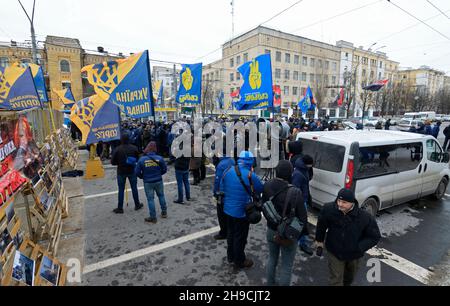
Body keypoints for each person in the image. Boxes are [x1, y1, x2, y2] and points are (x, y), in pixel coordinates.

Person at [315, 188, 381, 286]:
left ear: (352, 203)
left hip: (354, 255)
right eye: (339, 201)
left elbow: (374, 237)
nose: (340, 204)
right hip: (334, 252)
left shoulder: (365, 217)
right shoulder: (328, 209)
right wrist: (319, 242)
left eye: (344, 202)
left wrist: (359, 248)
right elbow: (321, 225)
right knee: (336, 280)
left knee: (349, 279)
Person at [262, 160, 307, 286]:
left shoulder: (267, 185)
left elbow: (264, 206)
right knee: (286, 265)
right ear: (290, 173)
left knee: (272, 258)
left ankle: (270, 283)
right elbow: (302, 218)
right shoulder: (295, 192)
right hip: (288, 233)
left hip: (271, 229)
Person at [221, 151, 264, 271]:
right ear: (251, 162)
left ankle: (230, 256)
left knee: (230, 233)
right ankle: (239, 261)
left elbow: (222, 186)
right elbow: (260, 188)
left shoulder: (228, 170)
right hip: (242, 212)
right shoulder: (251, 175)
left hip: (228, 210)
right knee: (240, 237)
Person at [135, 142, 168, 224]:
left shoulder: (142, 160)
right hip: (158, 180)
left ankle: (153, 217)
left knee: (150, 199)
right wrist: (159, 174)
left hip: (148, 182)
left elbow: (137, 172)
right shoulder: (159, 158)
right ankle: (164, 212)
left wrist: (142, 176)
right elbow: (164, 169)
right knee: (161, 196)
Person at [111, 133, 143, 214]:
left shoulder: (117, 149)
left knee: (121, 190)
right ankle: (137, 204)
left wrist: (119, 163)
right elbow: (138, 159)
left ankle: (120, 208)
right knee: (134, 188)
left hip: (121, 171)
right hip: (132, 170)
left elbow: (112, 162)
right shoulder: (134, 148)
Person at [292, 155, 314, 255]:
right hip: (300, 202)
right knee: (302, 221)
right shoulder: (298, 174)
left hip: (303, 199)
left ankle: (301, 240)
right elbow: (295, 189)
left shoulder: (303, 169)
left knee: (302, 221)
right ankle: (302, 243)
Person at [213, 155, 236, 240]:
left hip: (222, 192)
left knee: (221, 213)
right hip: (231, 190)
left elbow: (217, 181)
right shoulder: (232, 161)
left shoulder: (221, 164)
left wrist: (215, 193)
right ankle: (229, 230)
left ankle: (223, 232)